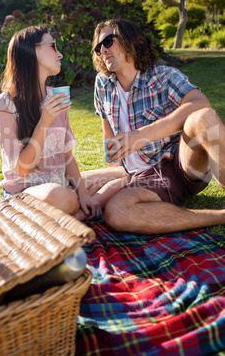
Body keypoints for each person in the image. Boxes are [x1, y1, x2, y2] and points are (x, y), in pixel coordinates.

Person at [92, 19, 225, 234]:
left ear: (129, 41)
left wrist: (140, 136)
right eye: (99, 47)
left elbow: (201, 103)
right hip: (145, 178)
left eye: (108, 41)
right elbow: (108, 138)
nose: (103, 50)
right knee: (117, 211)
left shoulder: (163, 76)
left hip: (180, 164)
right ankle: (220, 216)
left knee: (203, 118)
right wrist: (114, 174)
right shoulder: (102, 85)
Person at [0, 25, 129, 221]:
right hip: (24, 194)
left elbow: (66, 155)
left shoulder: (55, 97)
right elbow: (21, 169)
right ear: (31, 52)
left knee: (124, 175)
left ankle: (81, 209)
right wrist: (45, 121)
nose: (60, 54)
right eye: (53, 46)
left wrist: (83, 193)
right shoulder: (5, 105)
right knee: (64, 197)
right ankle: (78, 210)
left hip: (59, 184)